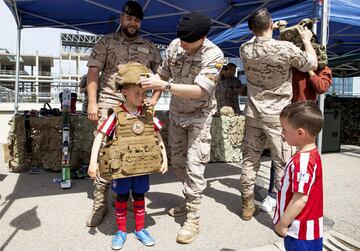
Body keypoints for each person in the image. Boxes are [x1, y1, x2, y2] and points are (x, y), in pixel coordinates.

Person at [140, 12, 224, 244]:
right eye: (182, 40)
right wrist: (154, 97)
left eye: (189, 42)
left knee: (194, 164)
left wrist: (164, 86)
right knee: (177, 162)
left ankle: (193, 218)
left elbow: (200, 90)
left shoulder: (214, 55)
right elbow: (163, 73)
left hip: (200, 115)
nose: (184, 46)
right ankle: (187, 201)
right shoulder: (175, 46)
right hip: (177, 114)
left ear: (203, 37)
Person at [85, 1, 162, 227]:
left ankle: (127, 196)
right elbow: (93, 71)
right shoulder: (106, 42)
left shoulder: (149, 46)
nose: (132, 23)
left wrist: (155, 99)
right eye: (129, 19)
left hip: (138, 107)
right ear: (121, 18)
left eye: (137, 20)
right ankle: (100, 202)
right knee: (106, 153)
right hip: (110, 103)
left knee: (135, 150)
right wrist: (92, 103)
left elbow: (162, 75)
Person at [239, 8, 318, 221]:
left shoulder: (244, 49)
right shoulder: (285, 48)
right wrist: (307, 39)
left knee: (250, 159)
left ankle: (247, 206)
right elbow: (312, 63)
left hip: (253, 113)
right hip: (278, 117)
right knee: (282, 162)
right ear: (271, 24)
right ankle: (283, 211)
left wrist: (265, 29)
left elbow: (256, 37)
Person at [87, 62, 168, 250]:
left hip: (142, 167)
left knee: (140, 197)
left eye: (144, 93)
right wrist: (93, 163)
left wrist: (164, 159)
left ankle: (140, 229)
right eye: (137, 93)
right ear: (124, 92)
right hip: (121, 168)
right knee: (122, 198)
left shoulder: (148, 114)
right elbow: (100, 136)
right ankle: (121, 231)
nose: (142, 97)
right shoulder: (116, 114)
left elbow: (157, 137)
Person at [262, 35, 332, 213]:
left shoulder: (322, 68)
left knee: (304, 159)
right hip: (286, 115)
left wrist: (310, 68)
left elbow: (322, 87)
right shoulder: (292, 64)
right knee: (279, 155)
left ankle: (299, 197)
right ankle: (274, 194)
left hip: (306, 118)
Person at [273, 101, 324, 251]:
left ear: (300, 133)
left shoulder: (303, 161)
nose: (282, 133)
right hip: (306, 230)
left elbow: (300, 198)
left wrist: (282, 224)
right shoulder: (312, 155)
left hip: (300, 231)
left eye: (284, 129)